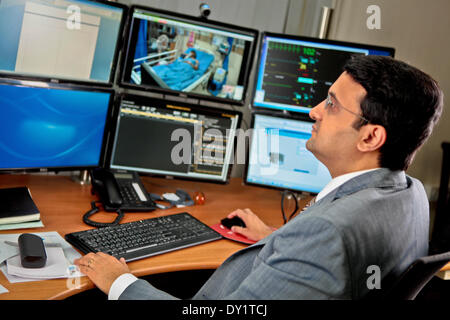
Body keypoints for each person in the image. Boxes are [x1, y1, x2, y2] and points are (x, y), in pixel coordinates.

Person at [75, 55, 443, 299]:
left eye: (331, 104)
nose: (314, 111)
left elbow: (330, 238)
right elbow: (340, 256)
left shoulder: (327, 233)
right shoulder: (410, 194)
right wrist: (277, 238)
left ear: (370, 137)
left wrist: (120, 282)